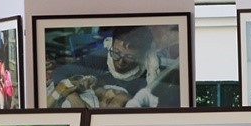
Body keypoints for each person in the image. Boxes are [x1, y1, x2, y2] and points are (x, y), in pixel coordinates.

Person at [50, 25, 178, 107]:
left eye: (129, 58)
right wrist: (74, 98)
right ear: (111, 44)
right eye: (116, 53)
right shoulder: (102, 58)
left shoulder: (151, 75)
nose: (120, 62)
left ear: (142, 56)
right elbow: (59, 73)